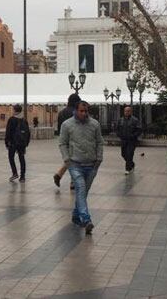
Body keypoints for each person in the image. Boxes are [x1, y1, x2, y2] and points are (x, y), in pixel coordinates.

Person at [59, 101, 104, 235]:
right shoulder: (67, 125)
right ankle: (86, 219)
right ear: (76, 111)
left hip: (91, 165)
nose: (84, 113)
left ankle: (75, 215)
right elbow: (62, 143)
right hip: (75, 164)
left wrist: (99, 159)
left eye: (86, 111)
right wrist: (67, 160)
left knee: (82, 193)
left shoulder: (95, 124)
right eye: (81, 111)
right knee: (81, 188)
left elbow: (100, 142)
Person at [53, 93, 81, 188]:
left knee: (71, 159)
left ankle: (60, 175)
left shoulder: (61, 112)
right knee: (76, 161)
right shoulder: (77, 112)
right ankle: (71, 181)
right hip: (75, 139)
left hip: (64, 139)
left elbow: (59, 128)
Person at [5, 104, 30, 182]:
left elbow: (8, 132)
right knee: (22, 158)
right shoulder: (24, 120)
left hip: (13, 143)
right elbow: (28, 133)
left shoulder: (11, 119)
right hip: (22, 143)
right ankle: (22, 177)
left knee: (11, 157)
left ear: (15, 110)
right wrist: (26, 143)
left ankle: (15, 173)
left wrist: (6, 142)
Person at [116, 106, 142, 175]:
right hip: (124, 140)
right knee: (123, 154)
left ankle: (127, 169)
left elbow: (139, 130)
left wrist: (133, 136)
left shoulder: (135, 120)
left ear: (131, 112)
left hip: (132, 141)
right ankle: (132, 164)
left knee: (129, 154)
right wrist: (119, 135)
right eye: (125, 111)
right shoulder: (120, 120)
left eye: (128, 111)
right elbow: (117, 129)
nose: (126, 112)